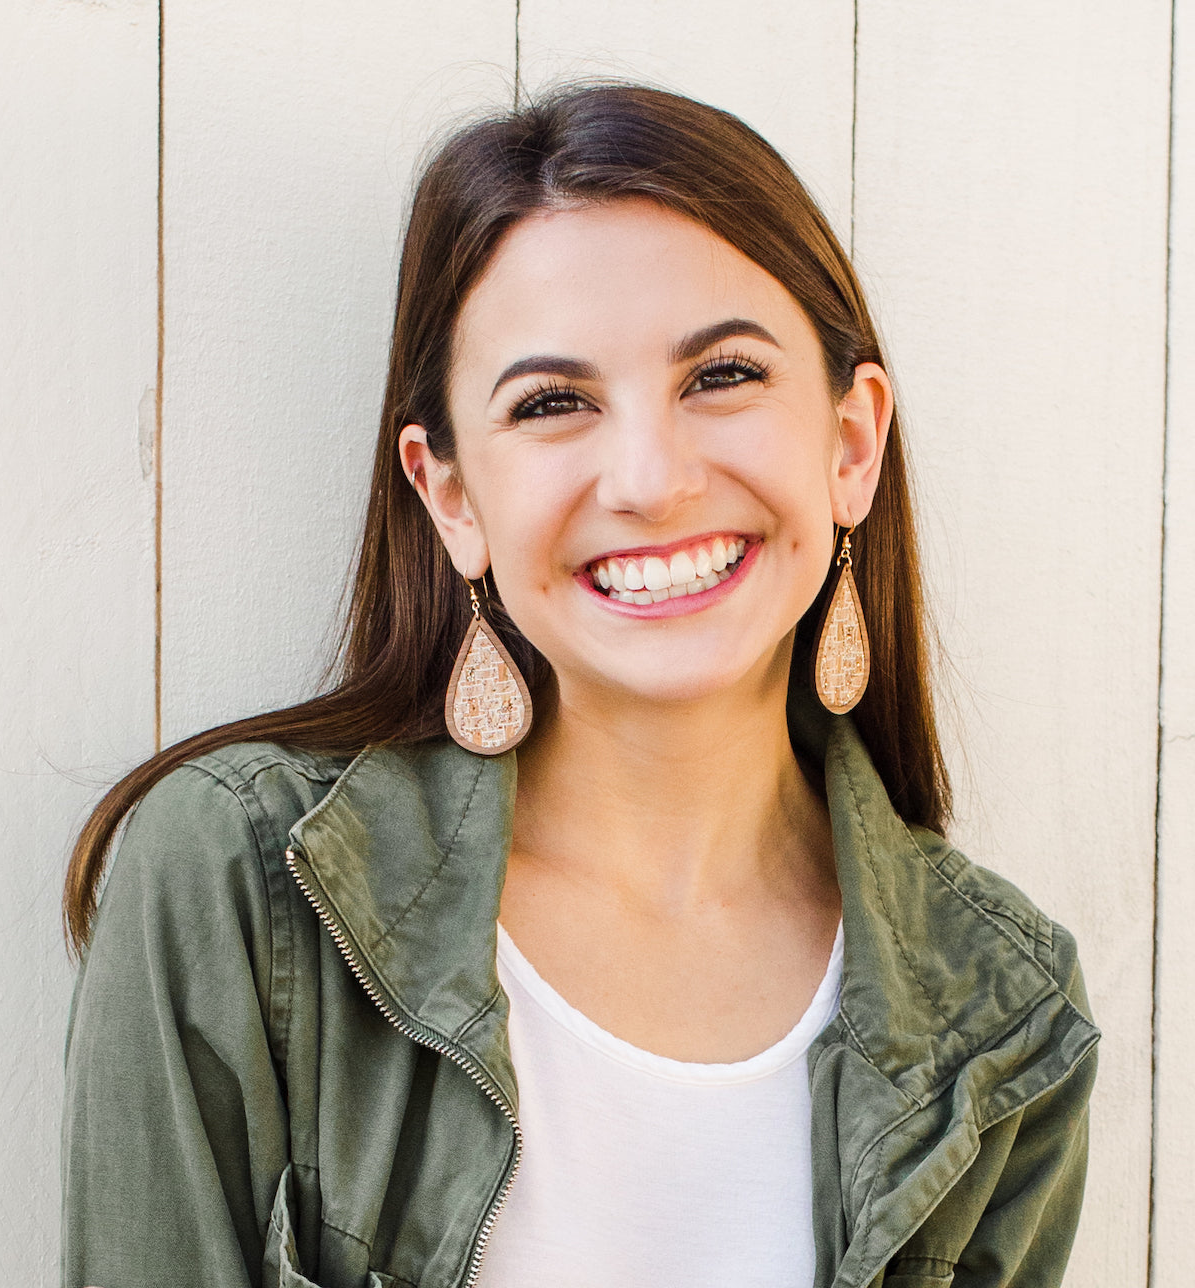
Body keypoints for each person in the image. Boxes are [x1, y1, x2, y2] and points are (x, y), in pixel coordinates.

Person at [61, 83, 1099, 1288]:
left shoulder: (1007, 1021)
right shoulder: (238, 886)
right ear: (451, 496)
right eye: (554, 404)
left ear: (850, 445)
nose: (650, 479)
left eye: (722, 377)